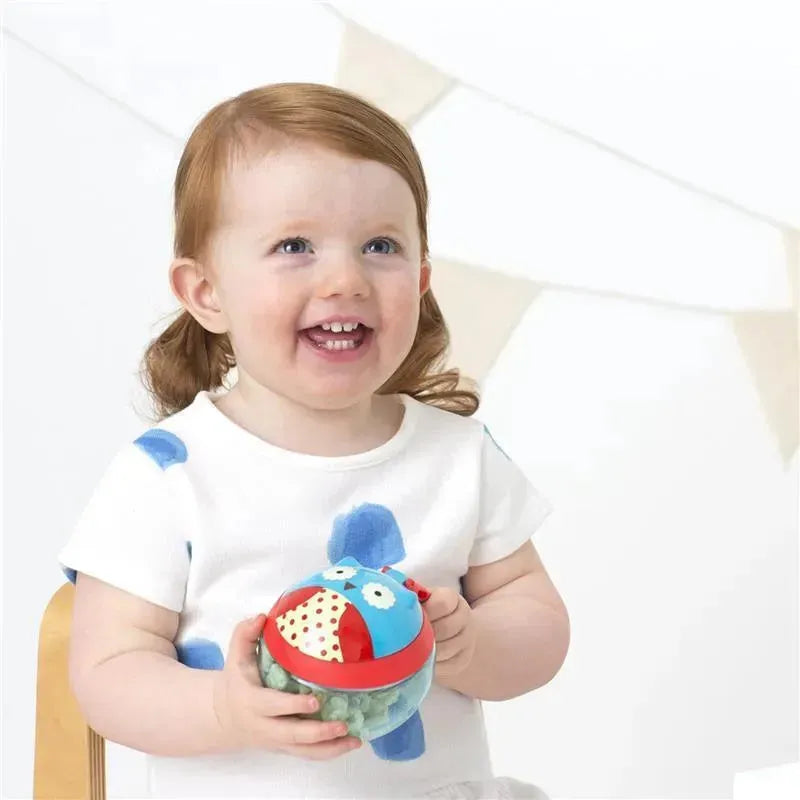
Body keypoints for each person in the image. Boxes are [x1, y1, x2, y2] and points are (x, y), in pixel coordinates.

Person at [58, 82, 569, 799]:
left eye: (381, 246)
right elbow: (108, 673)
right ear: (206, 292)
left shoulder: (459, 457)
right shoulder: (167, 476)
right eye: (294, 246)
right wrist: (222, 708)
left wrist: (474, 645)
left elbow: (538, 624)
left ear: (421, 279)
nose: (345, 279)